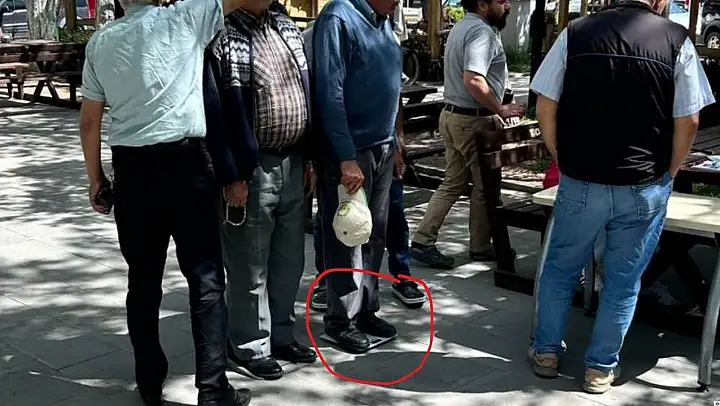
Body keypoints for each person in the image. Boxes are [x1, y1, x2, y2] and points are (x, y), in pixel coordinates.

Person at [528, 0, 714, 394]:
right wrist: (671, 171)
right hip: (643, 182)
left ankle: (545, 352)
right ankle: (600, 368)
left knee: (560, 269)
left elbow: (545, 103)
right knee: (623, 281)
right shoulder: (676, 40)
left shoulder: (576, 33)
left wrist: (560, 154)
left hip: (582, 178)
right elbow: (690, 118)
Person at [77, 0, 251, 404]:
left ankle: (150, 383)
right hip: (187, 165)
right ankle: (212, 389)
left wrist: (96, 178)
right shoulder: (186, 16)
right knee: (206, 280)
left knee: (142, 281)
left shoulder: (101, 42)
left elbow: (89, 120)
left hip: (133, 171)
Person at [203, 0, 318, 380]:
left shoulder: (285, 26)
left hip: (293, 160)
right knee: (248, 266)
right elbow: (215, 114)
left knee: (289, 262)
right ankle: (249, 345)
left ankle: (281, 335)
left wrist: (310, 159)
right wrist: (231, 175)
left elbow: (306, 92)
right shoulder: (221, 35)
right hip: (251, 171)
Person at [304, 2, 425, 312]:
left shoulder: (384, 21)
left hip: (382, 146)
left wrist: (395, 143)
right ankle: (341, 320)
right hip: (352, 150)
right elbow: (330, 93)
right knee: (347, 236)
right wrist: (345, 157)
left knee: (374, 234)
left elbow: (392, 88)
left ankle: (366, 310)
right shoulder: (338, 18)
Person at [409, 0, 524, 269]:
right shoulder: (481, 32)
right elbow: (473, 79)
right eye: (501, 1)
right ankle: (480, 246)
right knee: (486, 186)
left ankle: (423, 239)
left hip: (454, 116)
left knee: (454, 181)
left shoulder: (462, 27)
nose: (507, 5)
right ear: (482, 4)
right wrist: (500, 108)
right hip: (473, 121)